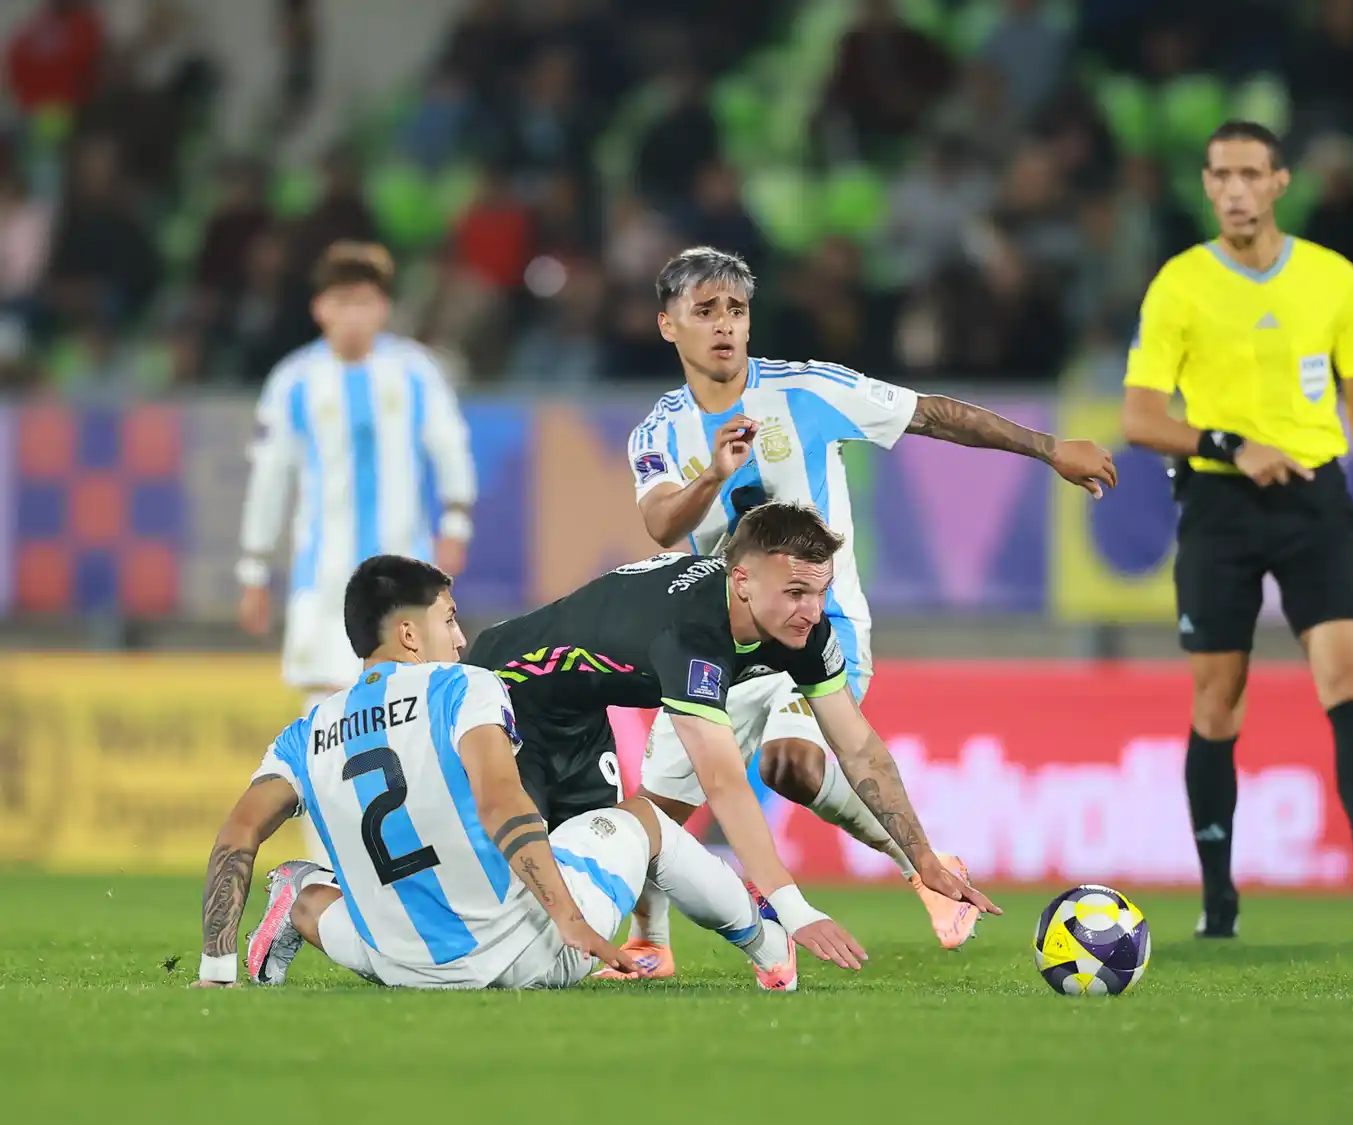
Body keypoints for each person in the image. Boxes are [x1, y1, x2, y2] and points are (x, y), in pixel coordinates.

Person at [618, 245, 1115, 974]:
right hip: (718, 631)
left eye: (737, 310)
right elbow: (662, 523)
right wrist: (715, 476)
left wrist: (1046, 449)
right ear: (668, 326)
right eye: (705, 312)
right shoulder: (658, 431)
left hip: (816, 623)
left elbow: (932, 415)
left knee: (791, 762)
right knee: (657, 810)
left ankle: (918, 865)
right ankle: (648, 944)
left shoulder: (807, 389)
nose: (725, 325)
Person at [195, 554, 805, 992]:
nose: (461, 640)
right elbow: (500, 805)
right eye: (449, 620)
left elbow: (235, 837)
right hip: (522, 958)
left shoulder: (306, 733)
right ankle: (769, 946)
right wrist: (570, 919)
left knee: (365, 906)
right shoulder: (464, 687)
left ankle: (298, 896)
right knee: (643, 819)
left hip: (396, 964)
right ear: (409, 633)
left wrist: (215, 973)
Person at [464, 502, 1000, 979]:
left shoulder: (800, 629)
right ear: (742, 581)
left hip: (579, 716)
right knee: (518, 905)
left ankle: (685, 941)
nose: (812, 611)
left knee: (600, 876)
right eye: (795, 592)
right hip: (500, 702)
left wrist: (922, 859)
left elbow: (859, 748)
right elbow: (723, 782)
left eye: (820, 592)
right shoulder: (692, 634)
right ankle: (742, 930)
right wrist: (796, 907)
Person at [1120, 121, 1353, 938]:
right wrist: (1226, 443)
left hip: (1314, 504)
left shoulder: (1331, 278)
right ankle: (1218, 896)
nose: (1233, 190)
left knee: (1347, 676)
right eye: (1220, 174)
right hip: (1220, 506)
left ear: (1280, 182)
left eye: (1250, 174)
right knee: (1218, 700)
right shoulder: (1180, 285)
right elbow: (1140, 416)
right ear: (1207, 182)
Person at [236, 241, 476, 863]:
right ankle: (324, 869)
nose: (353, 316)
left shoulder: (416, 371)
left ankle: (421, 861)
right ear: (320, 309)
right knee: (322, 718)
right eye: (341, 302)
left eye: (365, 302)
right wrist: (254, 569)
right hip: (324, 577)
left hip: (405, 583)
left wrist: (457, 516)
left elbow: (449, 443)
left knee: (417, 712)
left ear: (383, 308)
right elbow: (269, 478)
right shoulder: (293, 381)